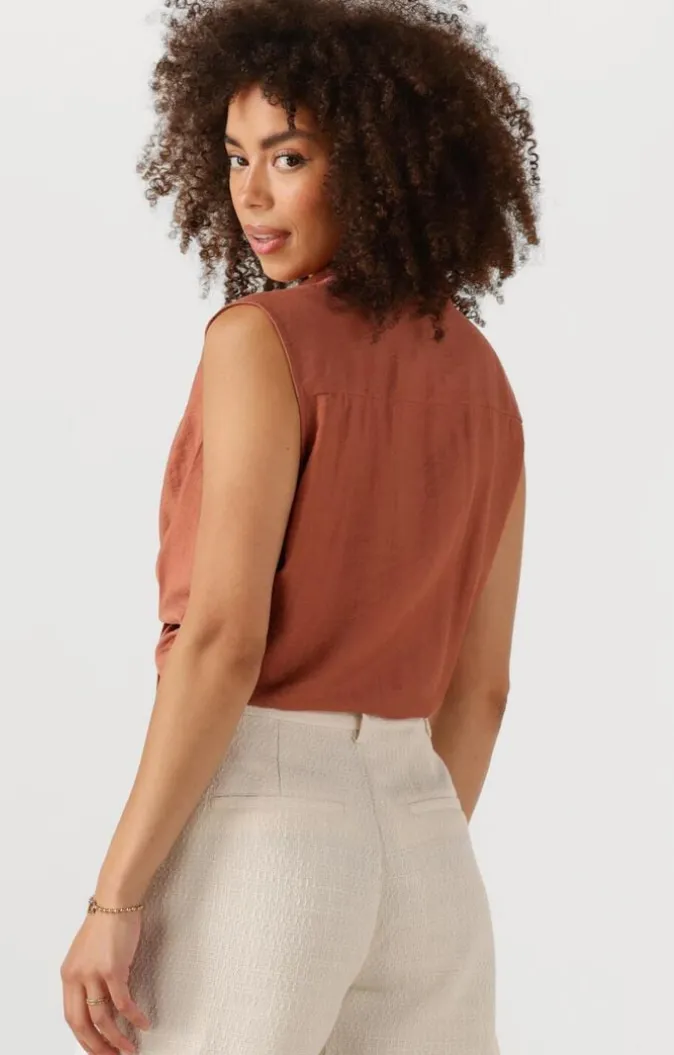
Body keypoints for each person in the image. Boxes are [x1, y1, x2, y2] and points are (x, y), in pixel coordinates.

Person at [60, 0, 540, 1052]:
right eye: (236, 157)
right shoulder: (485, 379)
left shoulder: (259, 341)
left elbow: (223, 643)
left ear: (376, 161)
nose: (250, 193)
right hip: (430, 851)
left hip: (267, 829)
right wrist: (392, 847)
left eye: (289, 157)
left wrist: (114, 898)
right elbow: (482, 690)